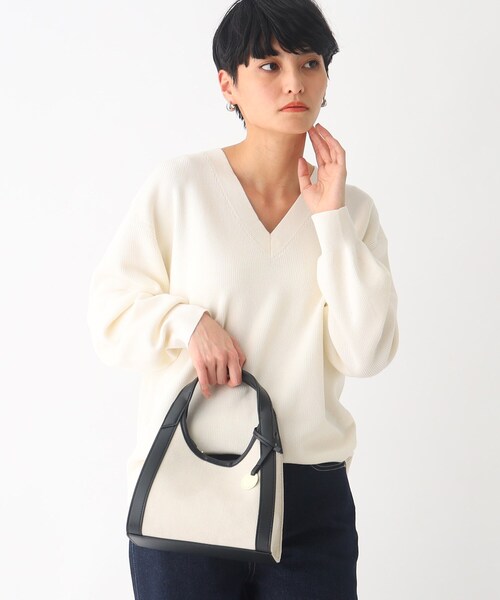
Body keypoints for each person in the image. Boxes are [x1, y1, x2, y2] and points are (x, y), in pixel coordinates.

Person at [86, 0, 399, 598]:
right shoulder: (182, 187)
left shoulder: (352, 211)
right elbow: (109, 314)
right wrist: (186, 321)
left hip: (310, 497)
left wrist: (330, 221)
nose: (294, 82)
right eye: (269, 65)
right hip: (191, 482)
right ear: (228, 84)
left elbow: (365, 354)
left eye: (310, 63)